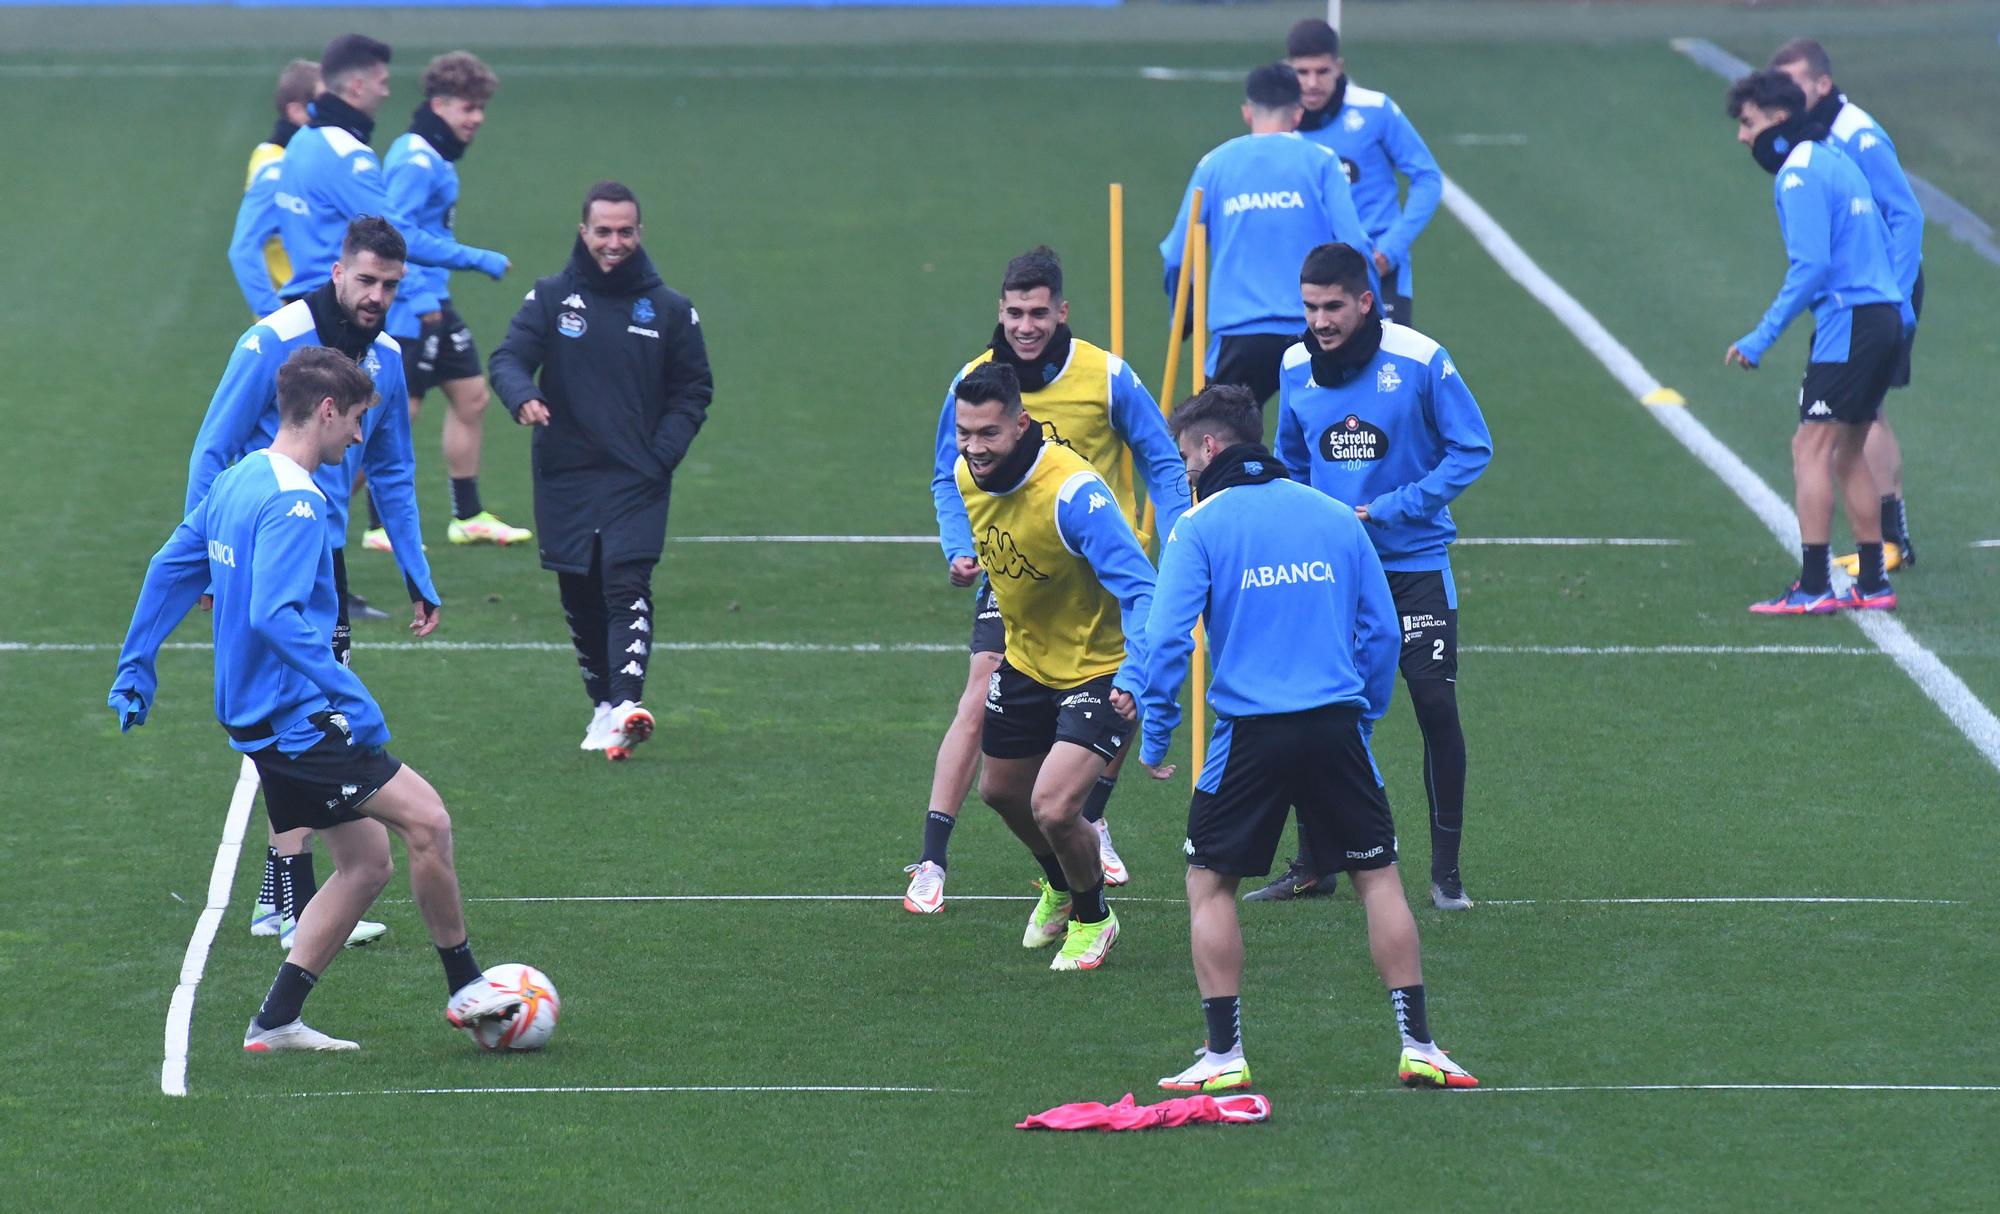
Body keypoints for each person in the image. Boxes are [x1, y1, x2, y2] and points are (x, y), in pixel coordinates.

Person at [110, 346, 520, 1052]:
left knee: (366, 865)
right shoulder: (299, 501)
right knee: (429, 824)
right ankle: (467, 986)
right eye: (358, 420)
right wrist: (350, 693)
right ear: (327, 411)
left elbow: (170, 563)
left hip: (256, 722)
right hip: (299, 722)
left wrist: (135, 664)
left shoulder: (239, 478)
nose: (360, 438)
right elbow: (277, 616)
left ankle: (275, 1022)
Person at [1136, 383, 1478, 1093]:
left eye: (1184, 458)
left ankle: (1224, 1055)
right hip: (1334, 727)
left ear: (1209, 446)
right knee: (1378, 878)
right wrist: (1364, 715)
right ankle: (1420, 1043)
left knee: (1210, 884)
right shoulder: (1334, 518)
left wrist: (1157, 735)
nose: (1184, 472)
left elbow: (1167, 639)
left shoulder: (1198, 527)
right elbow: (1381, 633)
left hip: (1249, 736)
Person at [905, 246, 1191, 915]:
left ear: (1061, 312)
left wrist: (1180, 539)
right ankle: (935, 858)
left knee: (1109, 694)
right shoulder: (974, 385)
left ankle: (1089, 825)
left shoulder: (1106, 376)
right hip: (1014, 568)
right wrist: (959, 547)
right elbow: (947, 474)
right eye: (1014, 313)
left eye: (1038, 312)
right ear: (999, 313)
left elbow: (1160, 458)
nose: (1026, 325)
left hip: (1097, 576)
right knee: (983, 707)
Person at [187, 216, 442, 946]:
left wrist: (414, 571)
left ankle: (284, 898)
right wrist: (205, 553)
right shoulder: (274, 339)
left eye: (391, 285)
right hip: (263, 549)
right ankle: (286, 900)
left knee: (303, 721)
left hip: (320, 558)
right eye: (366, 280)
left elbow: (391, 469)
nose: (377, 295)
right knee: (298, 718)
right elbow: (215, 445)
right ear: (337, 271)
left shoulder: (386, 358)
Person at [1272, 243, 1493, 910]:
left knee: (1434, 704)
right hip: (1333, 570)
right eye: (1310, 307)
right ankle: (1316, 863)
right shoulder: (1292, 366)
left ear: (1365, 300)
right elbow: (1292, 456)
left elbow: (1472, 448)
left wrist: (1397, 507)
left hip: (1414, 563)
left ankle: (1446, 874)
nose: (1320, 320)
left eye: (1332, 306)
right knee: (1320, 712)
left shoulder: (1422, 360)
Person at [489, 181, 713, 759]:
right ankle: (603, 705)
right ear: (583, 232)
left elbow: (694, 390)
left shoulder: (669, 309)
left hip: (637, 477)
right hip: (566, 472)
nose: (614, 242)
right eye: (603, 231)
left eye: (625, 231)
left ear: (640, 233)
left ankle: (627, 704)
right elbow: (509, 357)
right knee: (579, 590)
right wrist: (522, 398)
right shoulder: (550, 298)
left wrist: (660, 455)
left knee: (626, 582)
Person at [951, 363, 1156, 972]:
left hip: (1099, 668)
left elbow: (1143, 590)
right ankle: (1061, 887)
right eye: (964, 432)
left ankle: (1095, 917)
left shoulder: (1075, 495)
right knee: (1001, 792)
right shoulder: (969, 475)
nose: (973, 447)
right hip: (1025, 661)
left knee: (1055, 806)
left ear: (1021, 423)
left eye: (988, 433)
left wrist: (1138, 674)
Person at [1723, 70, 1903, 615]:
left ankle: (1814, 585)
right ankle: (1872, 583)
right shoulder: (1834, 160)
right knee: (1847, 450)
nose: (1742, 137)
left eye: (1748, 123)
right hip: (1882, 318)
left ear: (1779, 120)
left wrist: (1761, 335)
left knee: (1811, 447)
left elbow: (1811, 267)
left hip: (1849, 323)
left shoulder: (1798, 173)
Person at [1768, 39, 1926, 573]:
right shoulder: (1813, 138)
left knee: (1865, 414)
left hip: (1882, 291)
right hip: (1864, 293)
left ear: (1821, 85)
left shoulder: (1856, 135)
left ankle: (1890, 541)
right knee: (1864, 414)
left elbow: (1907, 216)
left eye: (1794, 86)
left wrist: (1898, 299)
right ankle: (1888, 542)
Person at [372, 50, 531, 553]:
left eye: (480, 108)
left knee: (472, 397)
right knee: (394, 416)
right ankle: (366, 522)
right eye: (469, 108)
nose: (477, 119)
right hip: (412, 307)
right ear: (439, 104)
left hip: (433, 300)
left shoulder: (432, 155)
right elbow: (393, 236)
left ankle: (467, 516)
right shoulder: (415, 160)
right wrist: (449, 277)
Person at [1159, 62, 1377, 406]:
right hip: (1314, 329)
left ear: (1248, 113)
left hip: (1238, 334)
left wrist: (1181, 313)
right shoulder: (1322, 161)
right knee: (1329, 439)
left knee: (1219, 442)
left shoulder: (1214, 164)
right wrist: (1371, 317)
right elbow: (1355, 246)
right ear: (1298, 114)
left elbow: (1177, 256)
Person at [1285, 19, 1441, 327]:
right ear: (1289, 69)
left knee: (1388, 372)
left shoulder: (1375, 110)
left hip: (1380, 272)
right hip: (1312, 278)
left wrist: (1391, 249)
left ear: (1339, 67)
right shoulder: (1280, 127)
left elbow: (1428, 178)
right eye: (1303, 72)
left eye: (1322, 71)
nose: (1312, 83)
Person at [227, 59, 320, 318]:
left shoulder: (283, 156)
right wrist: (275, 319)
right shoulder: (278, 169)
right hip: (298, 319)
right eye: (322, 104)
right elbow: (243, 250)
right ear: (297, 112)